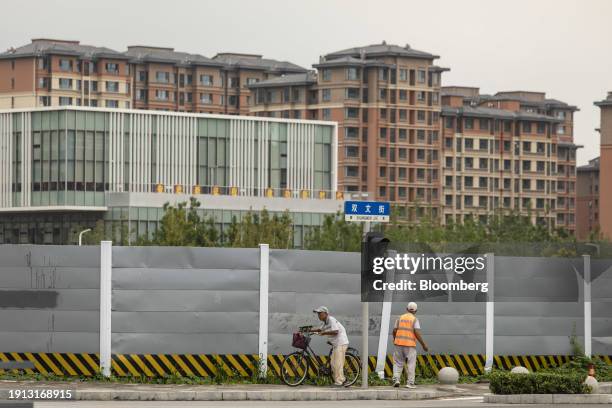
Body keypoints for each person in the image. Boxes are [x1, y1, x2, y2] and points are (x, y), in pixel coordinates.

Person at [310, 306, 350, 387]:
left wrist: (324, 333)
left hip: (341, 342)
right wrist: (308, 330)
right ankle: (343, 380)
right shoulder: (325, 322)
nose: (319, 316)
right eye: (318, 314)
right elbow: (319, 330)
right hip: (336, 344)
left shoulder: (331, 319)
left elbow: (336, 331)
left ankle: (339, 382)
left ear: (326, 313)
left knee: (338, 363)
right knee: (333, 363)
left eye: (320, 313)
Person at [392, 302, 428, 388]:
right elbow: (417, 332)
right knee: (411, 364)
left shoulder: (399, 318)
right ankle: (410, 383)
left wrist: (395, 339)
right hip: (410, 345)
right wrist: (423, 344)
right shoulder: (415, 319)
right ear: (416, 311)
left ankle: (396, 379)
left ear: (406, 309)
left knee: (398, 362)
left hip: (398, 343)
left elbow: (394, 331)